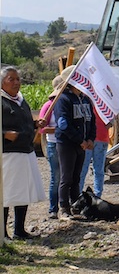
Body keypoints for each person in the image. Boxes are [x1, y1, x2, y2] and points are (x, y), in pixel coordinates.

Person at [2, 66, 47, 239]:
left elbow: (25, 121)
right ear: (2, 83)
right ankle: (2, 233)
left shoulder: (21, 101)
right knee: (5, 194)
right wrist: (4, 134)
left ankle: (19, 230)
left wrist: (35, 124)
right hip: (8, 154)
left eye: (18, 79)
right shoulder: (1, 101)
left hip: (25, 152)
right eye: (11, 79)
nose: (16, 82)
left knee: (23, 192)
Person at [54, 66, 96, 220]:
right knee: (66, 177)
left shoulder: (85, 99)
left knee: (77, 176)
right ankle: (63, 207)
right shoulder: (63, 99)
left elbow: (92, 121)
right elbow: (64, 124)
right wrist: (81, 141)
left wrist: (91, 138)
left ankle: (75, 204)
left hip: (82, 144)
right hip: (67, 144)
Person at [38, 76, 63, 219]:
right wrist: (59, 129)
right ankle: (53, 208)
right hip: (53, 144)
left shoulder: (65, 104)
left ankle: (66, 205)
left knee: (67, 177)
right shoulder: (48, 106)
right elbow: (42, 129)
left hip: (66, 144)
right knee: (56, 176)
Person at [79, 105, 109, 198]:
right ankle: (93, 195)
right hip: (92, 139)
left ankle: (95, 196)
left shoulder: (85, 100)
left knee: (87, 169)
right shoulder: (104, 99)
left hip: (96, 138)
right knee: (89, 170)